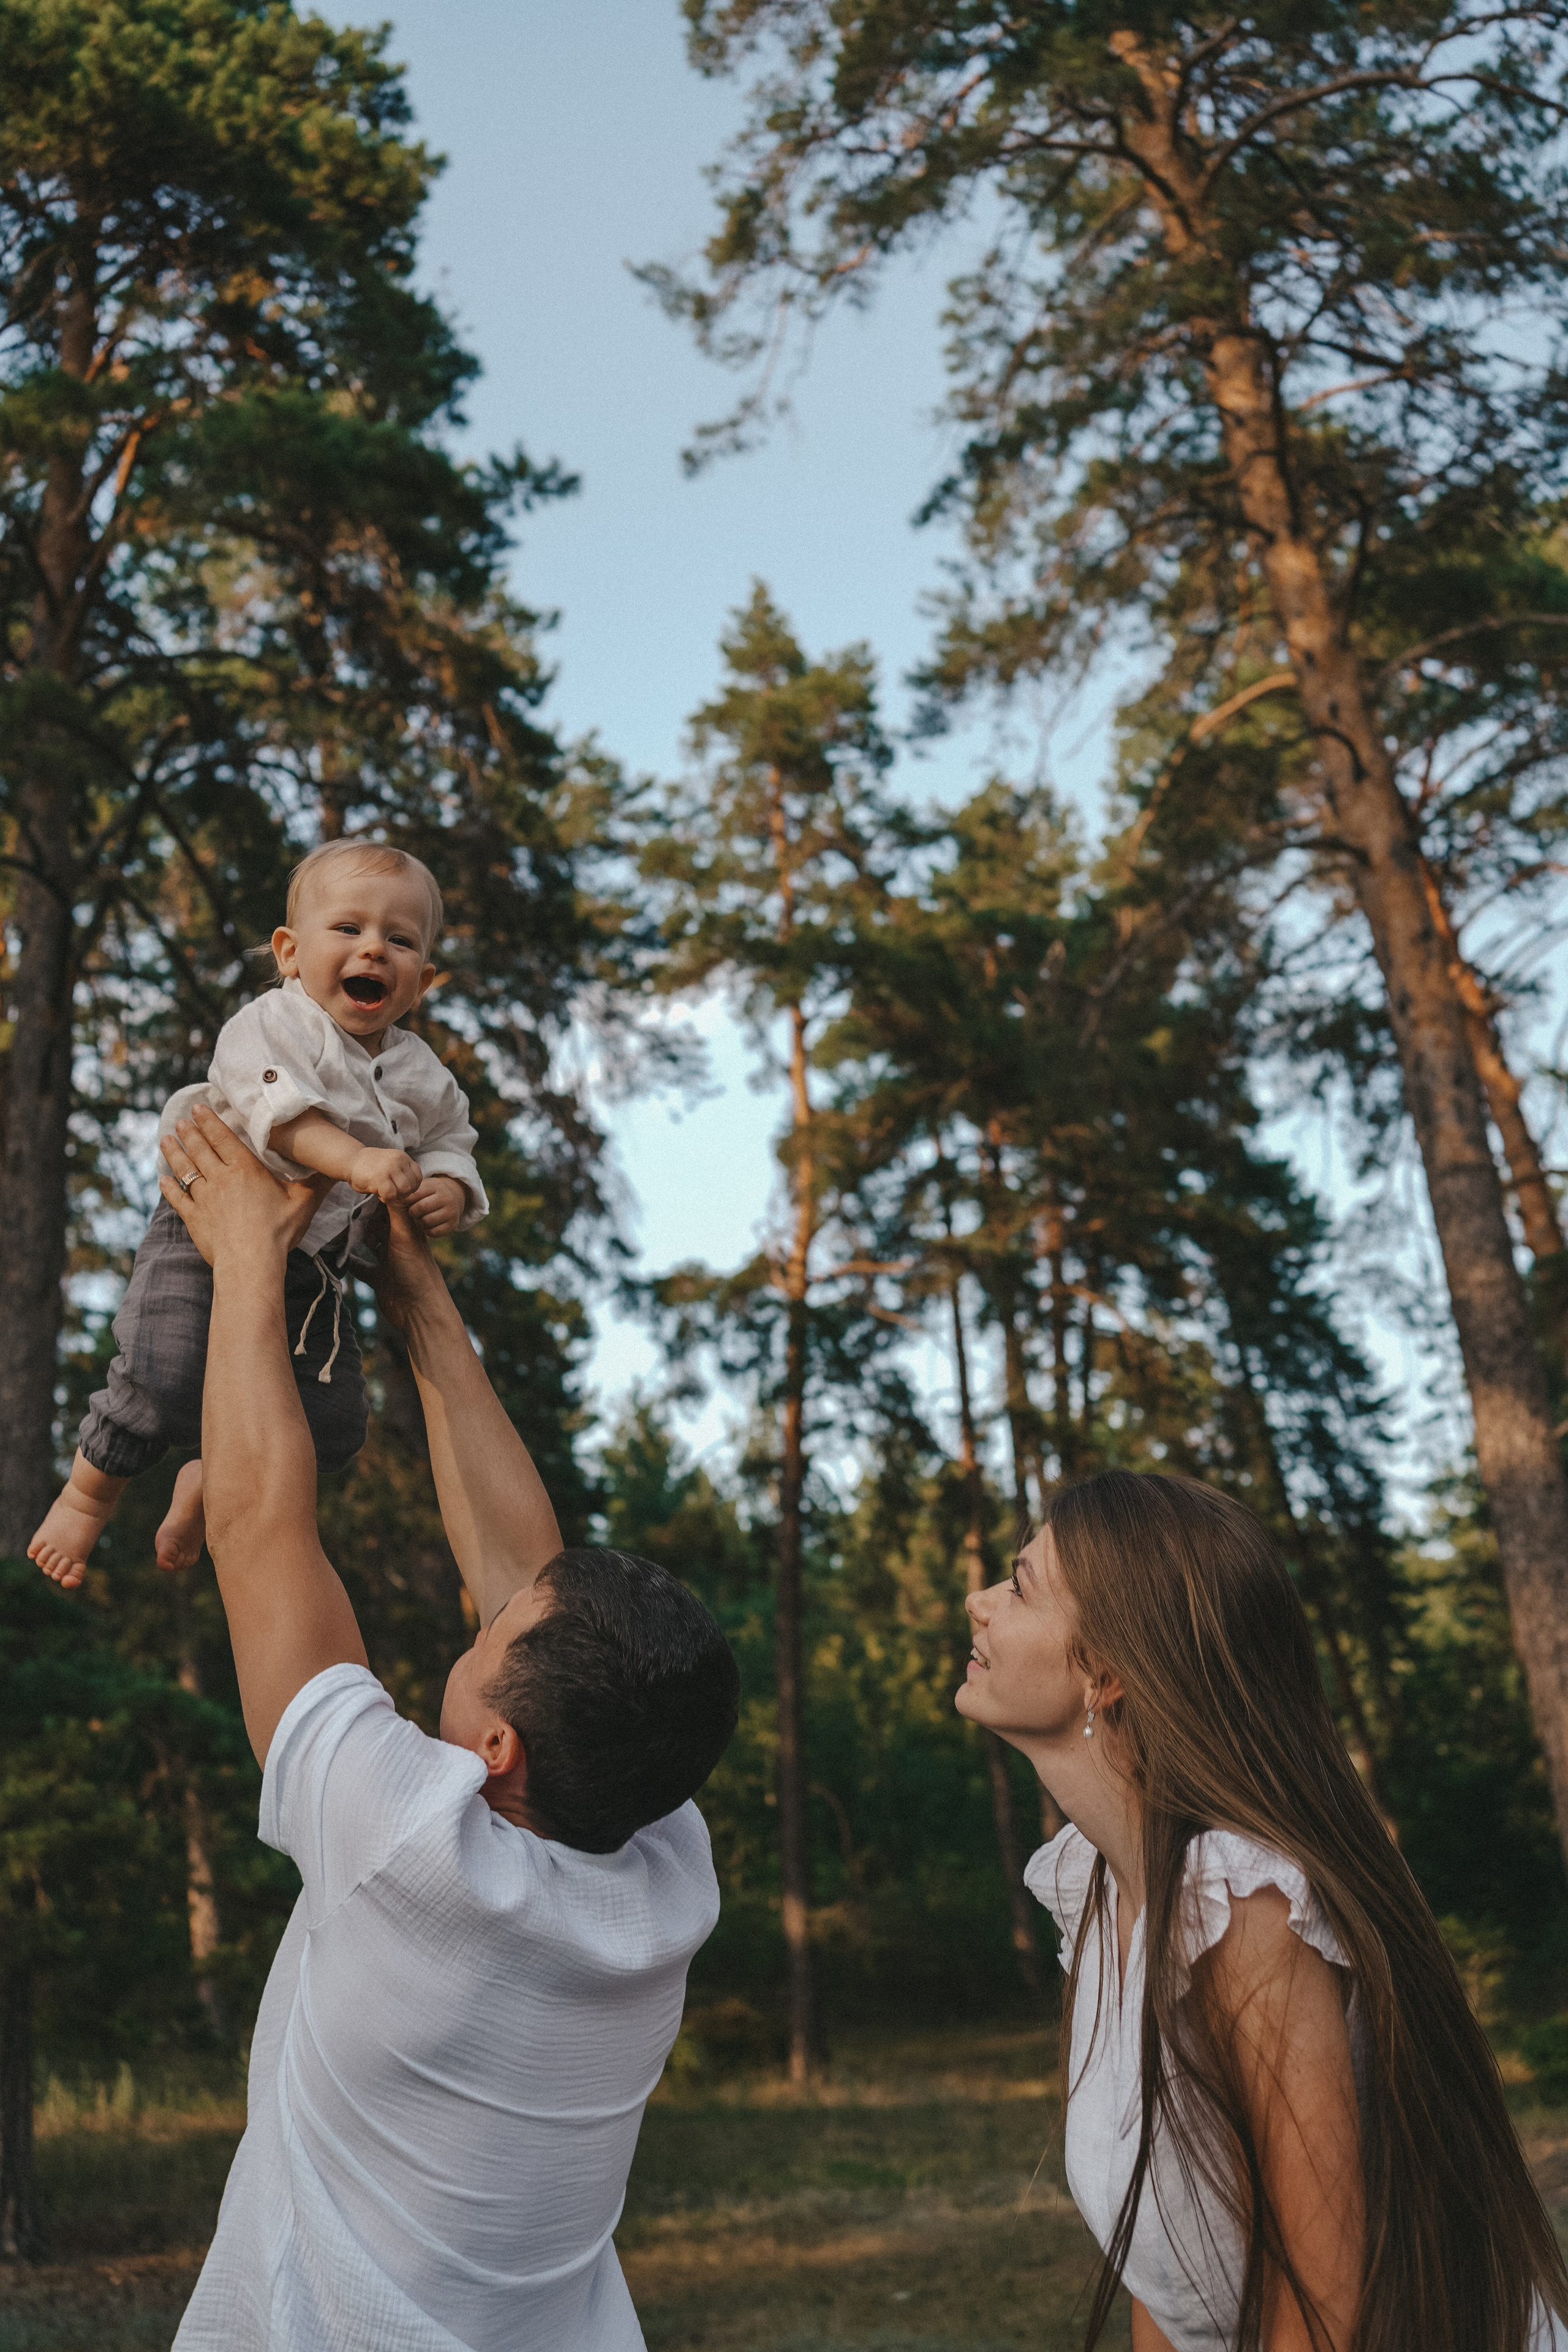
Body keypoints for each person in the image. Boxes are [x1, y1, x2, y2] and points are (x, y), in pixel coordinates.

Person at [154, 1102, 738, 2352]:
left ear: (498, 1754)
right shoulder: (660, 1869)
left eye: (484, 1643)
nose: (469, 1632)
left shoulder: (407, 1842)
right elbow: (533, 1579)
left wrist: (248, 1257)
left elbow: (258, 1527)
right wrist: (417, 1297)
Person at [959, 1469, 1568, 2352]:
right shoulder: (1095, 1887)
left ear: (1111, 1674)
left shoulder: (1238, 1901)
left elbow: (1322, 2306)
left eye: (1018, 1588)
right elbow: (1168, 2269)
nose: (979, 1602)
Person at [29, 839, 486, 1588]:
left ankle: (208, 1477)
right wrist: (361, 1161)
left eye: (399, 940)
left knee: (331, 1429)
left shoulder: (423, 1076)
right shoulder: (273, 1023)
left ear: (423, 980)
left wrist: (452, 1188)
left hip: (310, 1265)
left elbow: (452, 1142)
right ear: (290, 951)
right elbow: (275, 1112)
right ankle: (87, 1495)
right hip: (205, 1229)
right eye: (349, 929)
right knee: (163, 1374)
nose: (374, 948)